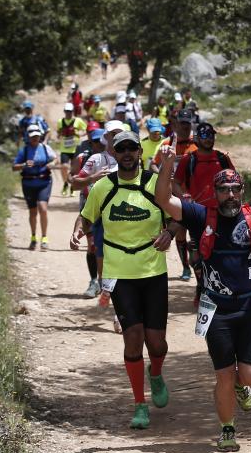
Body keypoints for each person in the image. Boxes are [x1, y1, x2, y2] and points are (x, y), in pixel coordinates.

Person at [155, 133, 251, 452]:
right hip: (215, 309)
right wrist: (167, 165)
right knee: (222, 374)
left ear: (242, 191)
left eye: (235, 188)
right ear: (216, 193)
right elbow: (164, 199)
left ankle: (241, 385)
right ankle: (227, 430)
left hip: (249, 310)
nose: (230, 194)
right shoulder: (199, 215)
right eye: (224, 189)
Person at [70, 130, 177, 429]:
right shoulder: (104, 186)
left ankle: (156, 374)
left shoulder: (155, 185)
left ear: (140, 152)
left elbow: (177, 216)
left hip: (153, 271)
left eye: (132, 148)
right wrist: (79, 230)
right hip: (119, 273)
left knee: (157, 343)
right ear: (114, 154)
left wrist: (170, 233)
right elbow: (87, 216)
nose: (127, 153)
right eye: (122, 149)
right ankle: (139, 404)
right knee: (133, 337)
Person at [70, 120, 128, 331]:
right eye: (113, 134)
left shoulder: (131, 158)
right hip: (100, 219)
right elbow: (76, 182)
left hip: (126, 220)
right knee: (105, 270)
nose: (116, 137)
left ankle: (119, 314)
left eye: (120, 133)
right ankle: (104, 288)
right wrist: (94, 177)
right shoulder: (96, 159)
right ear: (106, 137)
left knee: (124, 268)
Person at [174, 122, 235, 308]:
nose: (209, 138)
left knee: (220, 254)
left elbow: (235, 179)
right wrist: (184, 197)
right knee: (197, 257)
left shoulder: (222, 158)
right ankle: (201, 285)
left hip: (222, 214)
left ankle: (218, 291)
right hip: (198, 215)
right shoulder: (188, 160)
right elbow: (175, 183)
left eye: (211, 135)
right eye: (205, 135)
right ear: (197, 137)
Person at [152, 108, 198, 281]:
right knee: (179, 231)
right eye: (182, 123)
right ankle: (185, 267)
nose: (185, 127)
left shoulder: (197, 143)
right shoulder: (166, 143)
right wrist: (163, 174)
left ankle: (197, 265)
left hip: (195, 196)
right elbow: (153, 165)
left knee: (195, 233)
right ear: (176, 124)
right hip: (174, 197)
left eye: (188, 123)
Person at [69, 127, 106, 298]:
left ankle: (106, 281)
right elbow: (73, 180)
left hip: (109, 207)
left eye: (102, 141)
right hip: (88, 203)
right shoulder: (84, 158)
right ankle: (94, 281)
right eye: (96, 141)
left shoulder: (114, 157)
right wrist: (91, 178)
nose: (99, 144)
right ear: (91, 142)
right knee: (92, 246)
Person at [12, 124, 56, 251]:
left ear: (40, 136)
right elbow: (14, 167)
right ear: (28, 137)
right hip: (28, 184)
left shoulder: (45, 148)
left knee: (42, 208)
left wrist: (51, 164)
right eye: (32, 137)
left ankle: (44, 238)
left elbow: (55, 159)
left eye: (37, 136)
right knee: (32, 211)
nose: (35, 139)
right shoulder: (24, 151)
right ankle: (33, 238)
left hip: (44, 182)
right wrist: (24, 165)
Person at [57, 103, 87, 197]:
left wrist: (79, 134)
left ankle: (72, 187)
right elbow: (58, 134)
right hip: (64, 148)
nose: (68, 113)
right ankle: (66, 183)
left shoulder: (78, 120)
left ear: (72, 111)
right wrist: (60, 135)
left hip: (75, 147)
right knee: (64, 167)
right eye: (66, 111)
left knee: (74, 169)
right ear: (64, 111)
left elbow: (87, 129)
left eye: (70, 111)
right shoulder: (60, 121)